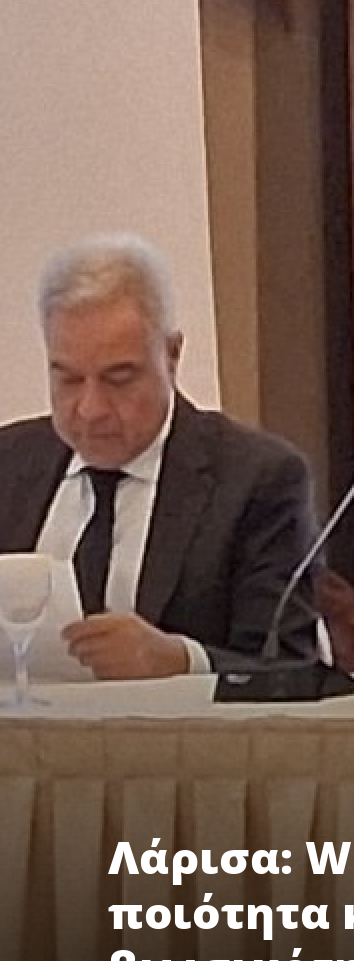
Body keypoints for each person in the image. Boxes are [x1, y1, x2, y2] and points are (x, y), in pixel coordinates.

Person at [0, 233, 319, 678]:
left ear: (171, 354)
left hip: (183, 724)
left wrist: (181, 660)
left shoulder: (257, 478)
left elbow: (290, 666)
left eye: (119, 378)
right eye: (68, 379)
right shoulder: (10, 463)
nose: (90, 409)